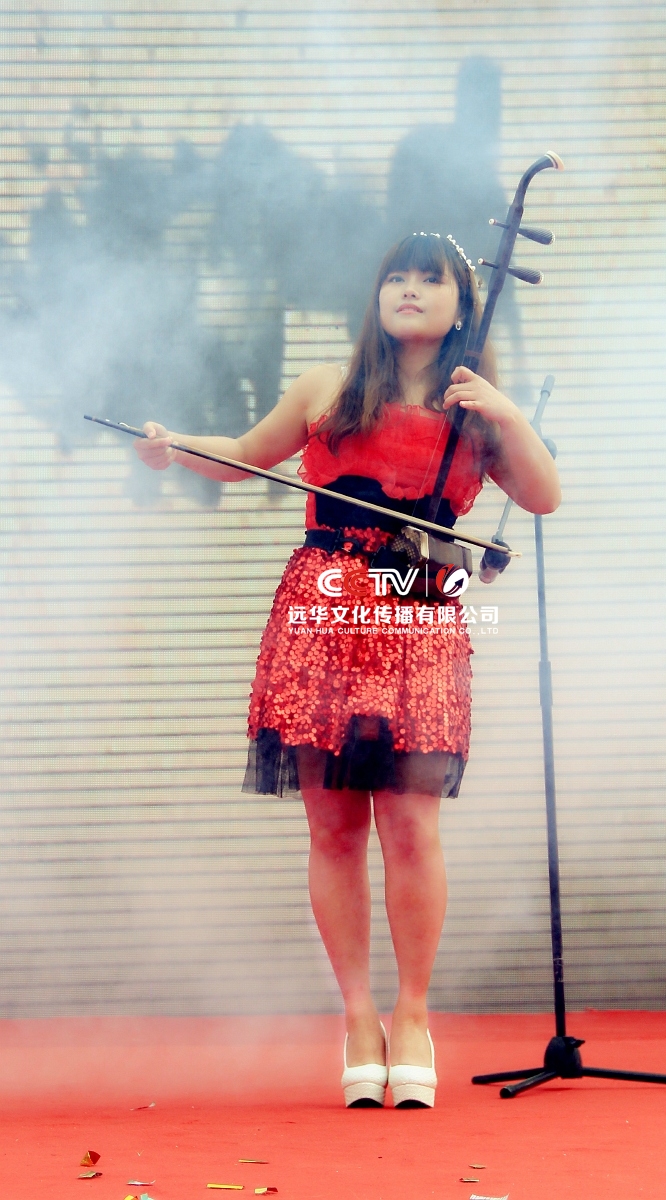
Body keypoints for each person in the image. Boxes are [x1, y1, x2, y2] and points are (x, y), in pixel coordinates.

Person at [135, 232, 561, 1108]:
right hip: (323, 616)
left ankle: (414, 1014)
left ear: (462, 303)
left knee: (411, 826)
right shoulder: (326, 388)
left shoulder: (478, 412)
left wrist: (509, 415)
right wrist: (174, 447)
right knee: (333, 829)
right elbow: (246, 453)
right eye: (395, 276)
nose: (408, 289)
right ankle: (359, 1017)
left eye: (429, 279)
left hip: (418, 617)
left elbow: (543, 495)